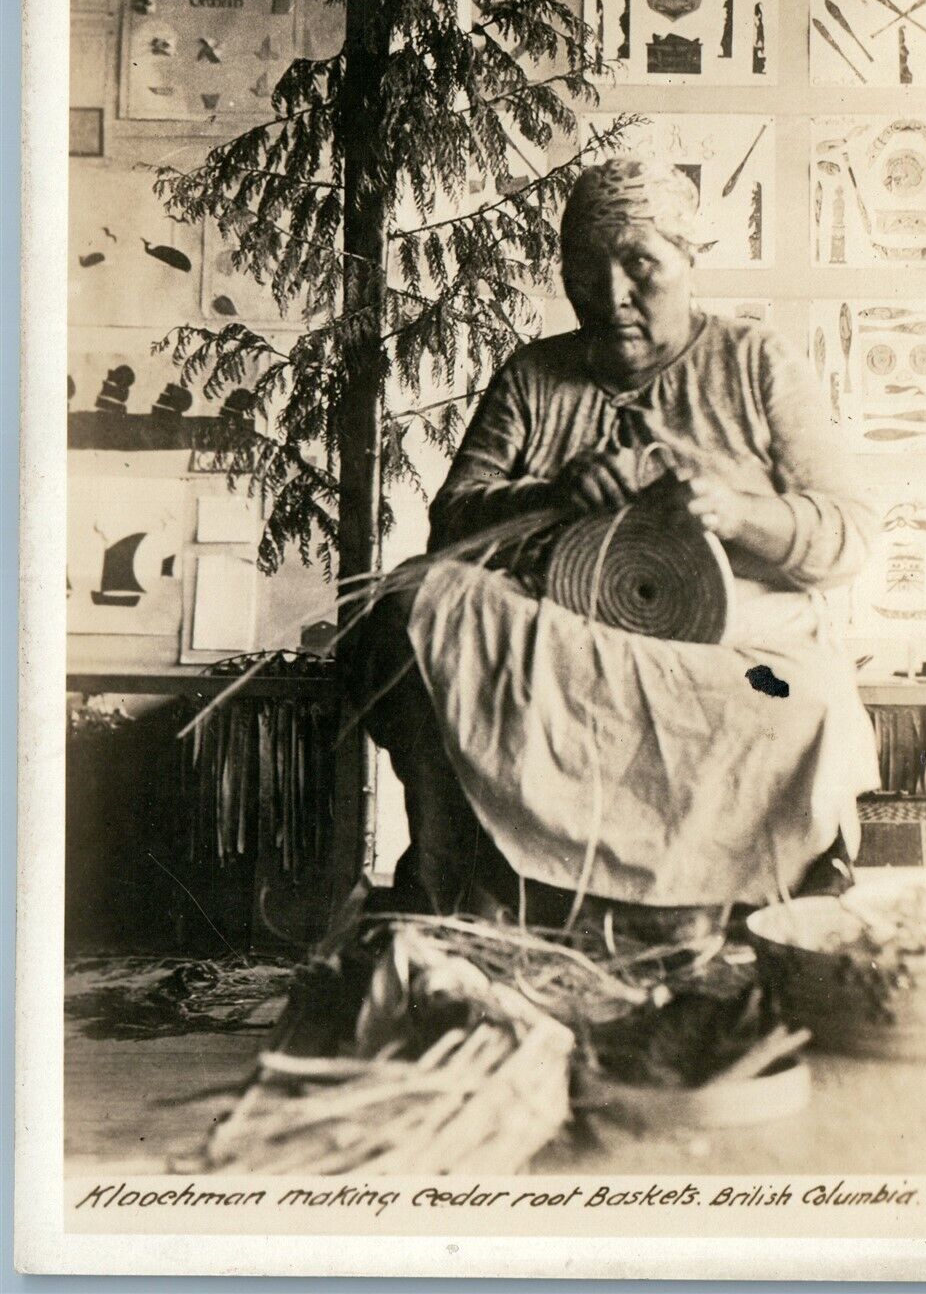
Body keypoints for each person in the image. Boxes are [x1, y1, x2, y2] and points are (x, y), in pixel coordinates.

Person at [353, 157, 881, 925]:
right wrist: (551, 497)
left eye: (639, 264)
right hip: (562, 642)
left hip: (734, 648)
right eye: (584, 268)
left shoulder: (754, 362)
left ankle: (746, 898)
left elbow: (848, 534)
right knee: (412, 606)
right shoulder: (535, 375)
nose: (610, 293)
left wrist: (735, 512)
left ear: (688, 260)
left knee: (804, 700)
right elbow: (452, 520)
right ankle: (459, 882)